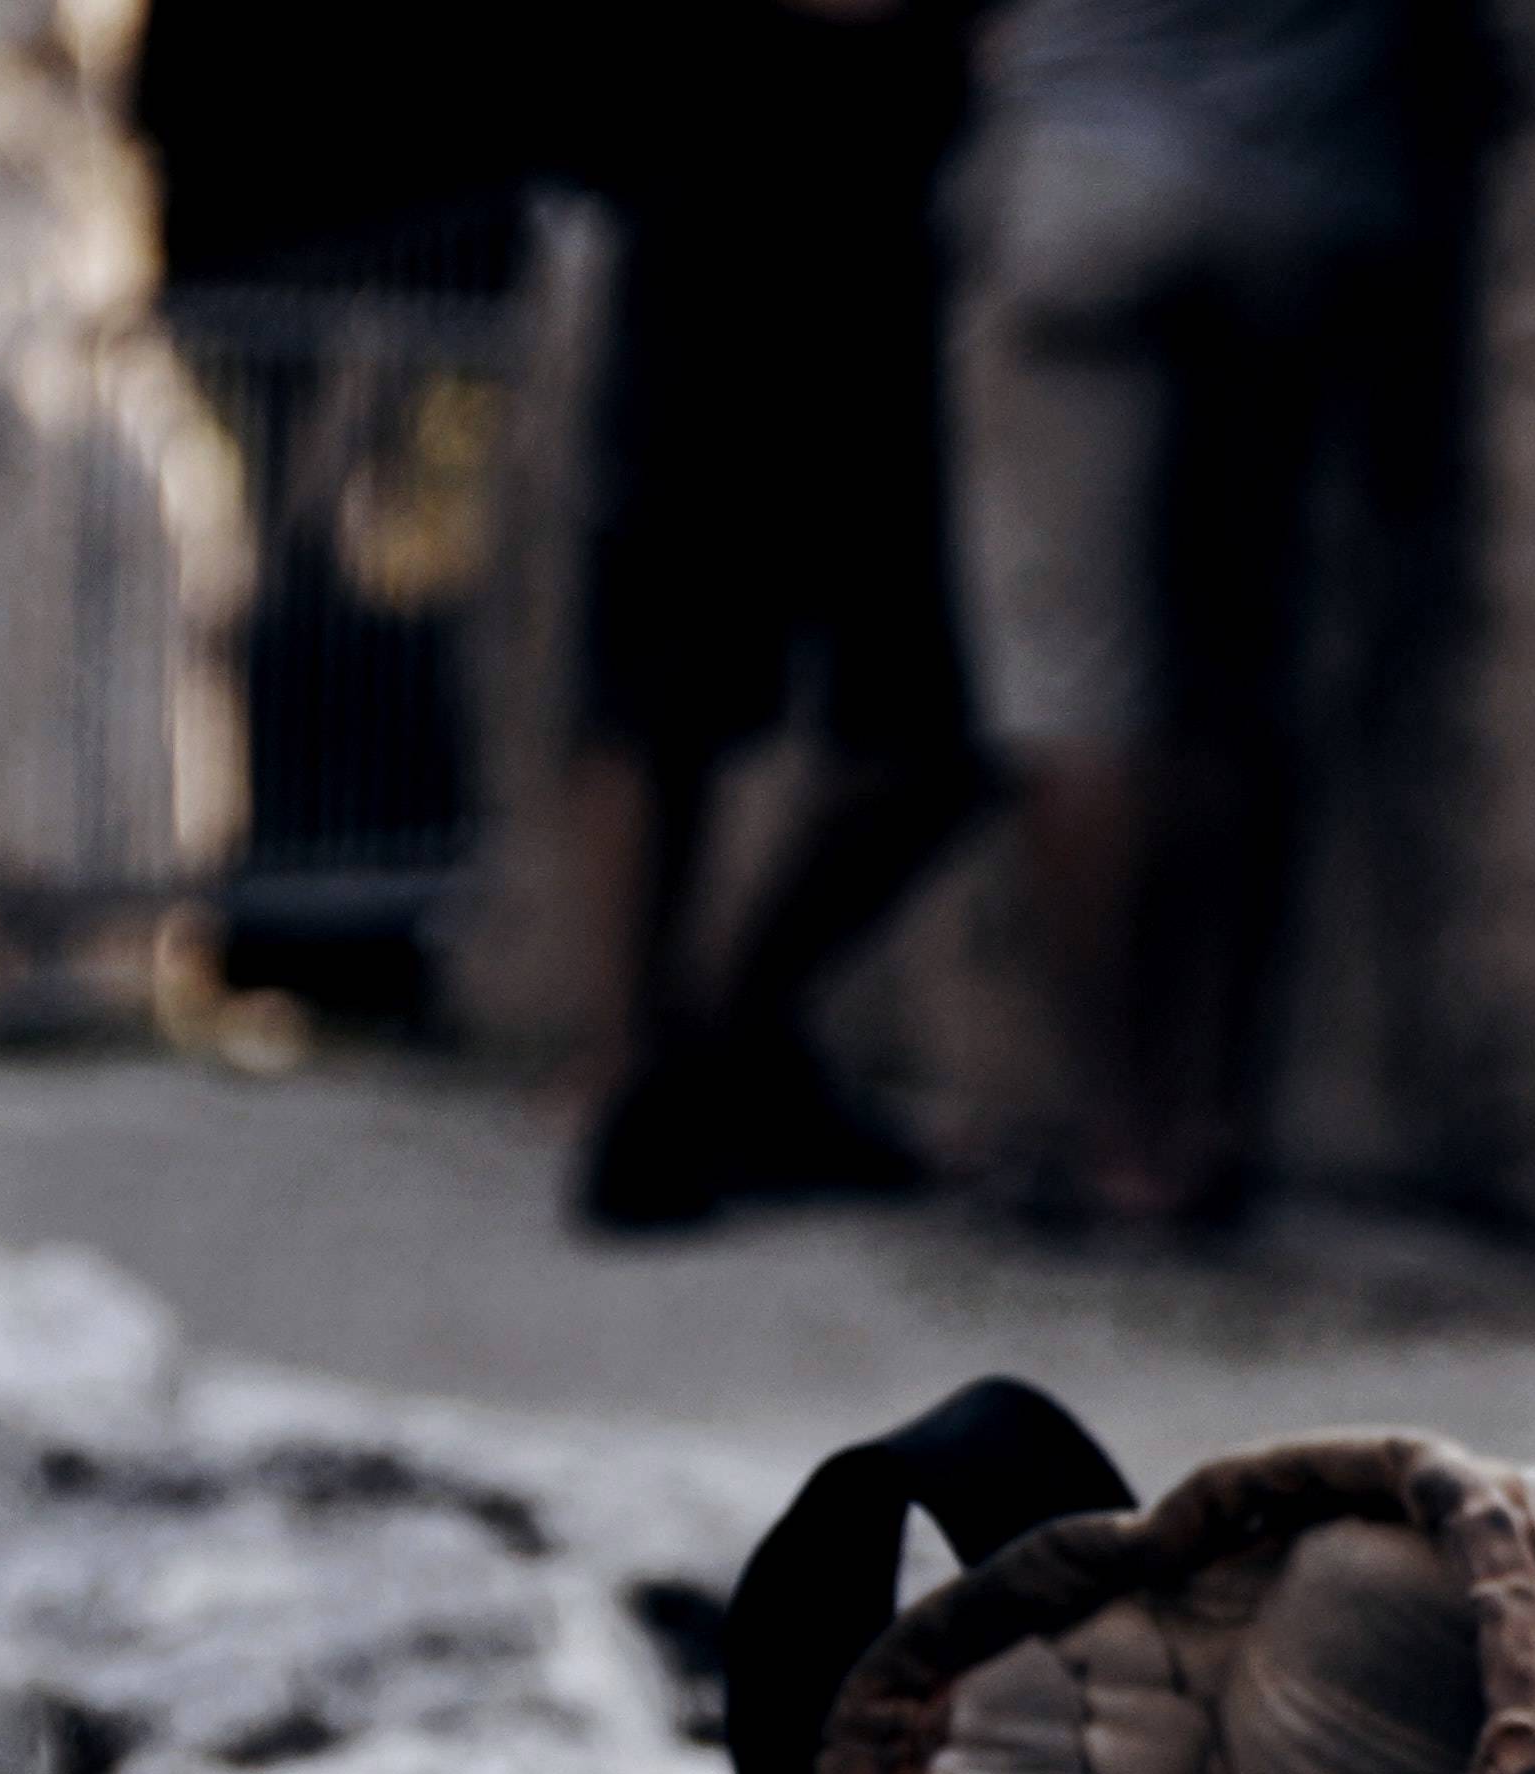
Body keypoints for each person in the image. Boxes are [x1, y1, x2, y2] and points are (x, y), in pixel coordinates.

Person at [947, 0, 1448, 1231]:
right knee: (1236, 674)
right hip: (1299, 207)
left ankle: (1119, 1135)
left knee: (1077, 688)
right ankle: (1215, 1122)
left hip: (1091, 195)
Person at [564, 0, 989, 1231]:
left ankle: (705, 1052)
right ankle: (656, 1069)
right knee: (666, 685)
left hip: (861, 210)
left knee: (931, 726)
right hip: (739, 193)